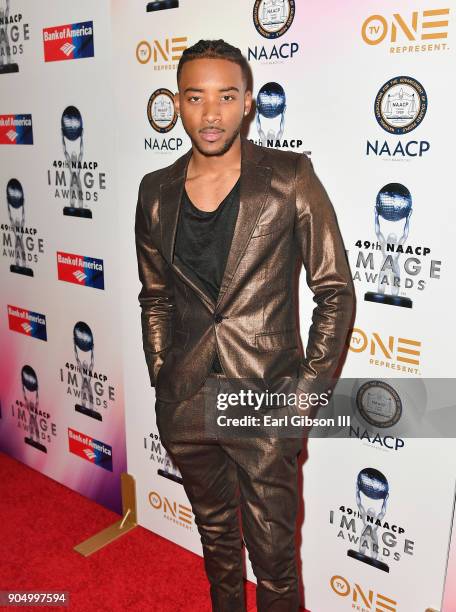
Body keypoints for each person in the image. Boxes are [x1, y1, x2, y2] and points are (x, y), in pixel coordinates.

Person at [135, 39, 355, 612]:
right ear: (177, 104)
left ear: (249, 103)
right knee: (217, 546)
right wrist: (162, 373)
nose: (211, 114)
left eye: (226, 97)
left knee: (276, 564)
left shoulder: (288, 178)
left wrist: (303, 401)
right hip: (185, 402)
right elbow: (154, 296)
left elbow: (333, 291)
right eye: (195, 97)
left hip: (264, 403)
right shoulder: (154, 192)